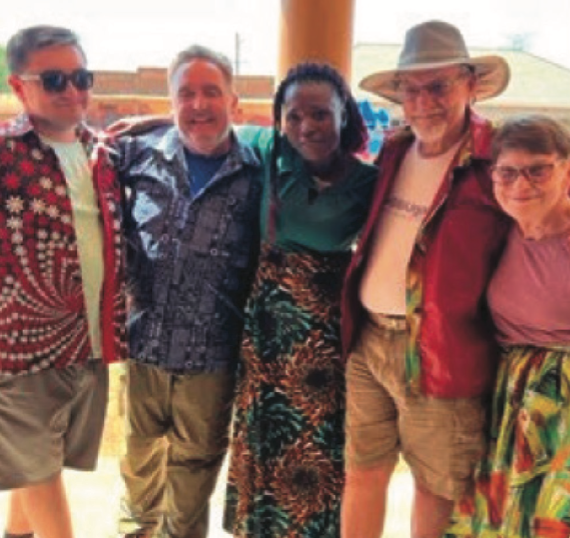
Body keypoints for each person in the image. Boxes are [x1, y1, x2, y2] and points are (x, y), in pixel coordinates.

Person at [339, 20, 513, 538]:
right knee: (362, 473)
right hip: (369, 339)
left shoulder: (498, 160)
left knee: (434, 489)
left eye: (438, 86)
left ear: (470, 85)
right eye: (411, 89)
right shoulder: (395, 149)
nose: (424, 102)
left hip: (445, 351)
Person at [222, 62, 377, 538]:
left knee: (318, 447)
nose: (306, 126)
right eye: (294, 116)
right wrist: (143, 123)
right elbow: (208, 128)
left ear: (343, 114)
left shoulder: (369, 182)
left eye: (320, 114)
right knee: (265, 438)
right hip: (266, 329)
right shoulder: (268, 150)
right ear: (280, 120)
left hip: (324, 338)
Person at [114, 45, 263, 538]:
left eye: (211, 92)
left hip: (212, 360)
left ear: (233, 101)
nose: (199, 104)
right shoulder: (136, 155)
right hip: (144, 349)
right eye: (186, 94)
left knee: (192, 484)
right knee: (138, 473)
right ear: (171, 101)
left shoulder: (258, 173)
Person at [0, 25, 127, 538]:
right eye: (54, 80)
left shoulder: (102, 154)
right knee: (38, 465)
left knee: (39, 459)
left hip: (86, 338)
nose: (73, 90)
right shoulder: (5, 154)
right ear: (19, 86)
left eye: (81, 77)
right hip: (19, 346)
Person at [445, 115, 570, 538]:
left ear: (566, 170)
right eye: (508, 172)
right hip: (512, 398)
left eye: (538, 170)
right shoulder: (503, 231)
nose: (521, 184)